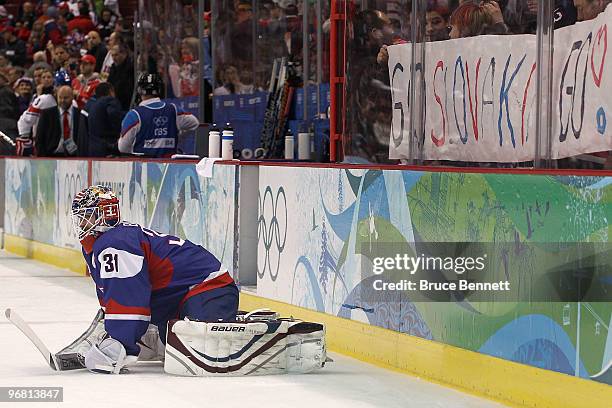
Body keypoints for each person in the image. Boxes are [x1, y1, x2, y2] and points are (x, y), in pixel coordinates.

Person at [70, 185, 238, 374]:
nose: (81, 222)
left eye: (86, 215)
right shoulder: (98, 245)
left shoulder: (116, 244)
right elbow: (113, 296)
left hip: (209, 287)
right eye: (79, 216)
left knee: (199, 350)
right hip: (174, 298)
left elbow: (128, 299)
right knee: (175, 342)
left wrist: (119, 346)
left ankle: (229, 324)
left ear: (105, 214)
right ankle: (158, 337)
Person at [118, 73, 199, 157]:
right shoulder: (173, 110)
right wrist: (179, 135)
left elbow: (122, 148)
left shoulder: (134, 115)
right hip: (170, 167)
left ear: (139, 90)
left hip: (143, 166)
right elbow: (194, 123)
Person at [16, 69, 57, 156]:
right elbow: (26, 119)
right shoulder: (41, 98)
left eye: (49, 77)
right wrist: (24, 137)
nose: (46, 79)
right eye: (44, 77)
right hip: (42, 139)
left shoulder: (60, 96)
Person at [35, 85, 80, 156]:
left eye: (66, 98)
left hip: (75, 155)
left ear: (72, 97)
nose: (62, 100)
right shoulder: (47, 114)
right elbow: (39, 138)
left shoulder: (79, 114)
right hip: (52, 155)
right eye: (60, 98)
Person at [85, 82, 123, 156]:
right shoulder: (110, 100)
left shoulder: (91, 105)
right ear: (111, 91)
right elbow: (113, 113)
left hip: (93, 150)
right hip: (107, 150)